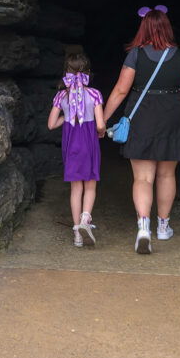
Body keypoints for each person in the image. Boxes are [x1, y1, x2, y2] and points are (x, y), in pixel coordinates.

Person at [103, 5, 180, 254]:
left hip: (142, 115)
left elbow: (121, 90)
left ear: (143, 27)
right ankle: (163, 227)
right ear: (167, 28)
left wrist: (103, 119)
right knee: (167, 175)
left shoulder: (135, 54)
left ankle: (143, 226)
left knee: (143, 178)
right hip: (172, 116)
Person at [48, 51, 107, 247]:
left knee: (76, 188)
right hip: (89, 142)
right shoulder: (95, 94)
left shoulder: (60, 96)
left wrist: (66, 117)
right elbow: (100, 125)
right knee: (90, 185)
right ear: (87, 72)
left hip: (71, 142)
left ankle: (77, 234)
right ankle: (85, 221)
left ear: (66, 72)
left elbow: (51, 124)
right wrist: (102, 132)